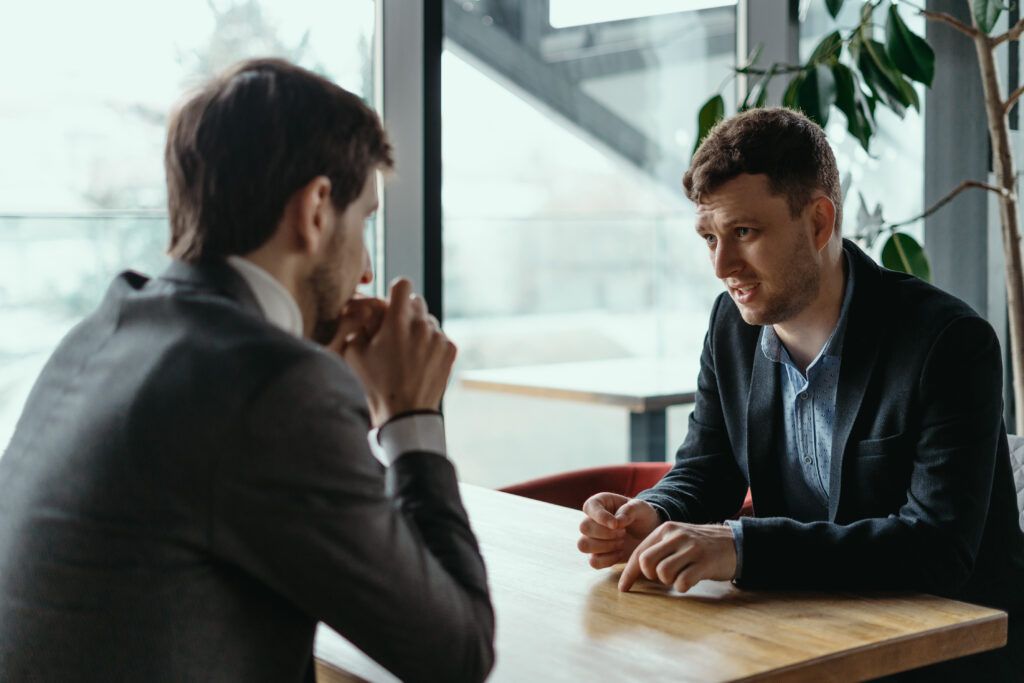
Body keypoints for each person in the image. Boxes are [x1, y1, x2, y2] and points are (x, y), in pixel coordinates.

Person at [0, 58, 494, 683]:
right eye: (363, 220)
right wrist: (412, 417)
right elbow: (458, 654)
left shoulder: (103, 333)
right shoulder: (270, 389)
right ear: (316, 209)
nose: (367, 270)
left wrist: (321, 397)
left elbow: (343, 533)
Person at [577, 107, 1024, 679]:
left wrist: (743, 548)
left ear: (818, 223)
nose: (722, 265)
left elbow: (936, 550)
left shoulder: (949, 343)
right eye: (710, 237)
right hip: (809, 631)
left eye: (745, 232)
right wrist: (656, 513)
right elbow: (708, 466)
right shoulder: (731, 324)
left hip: (949, 652)